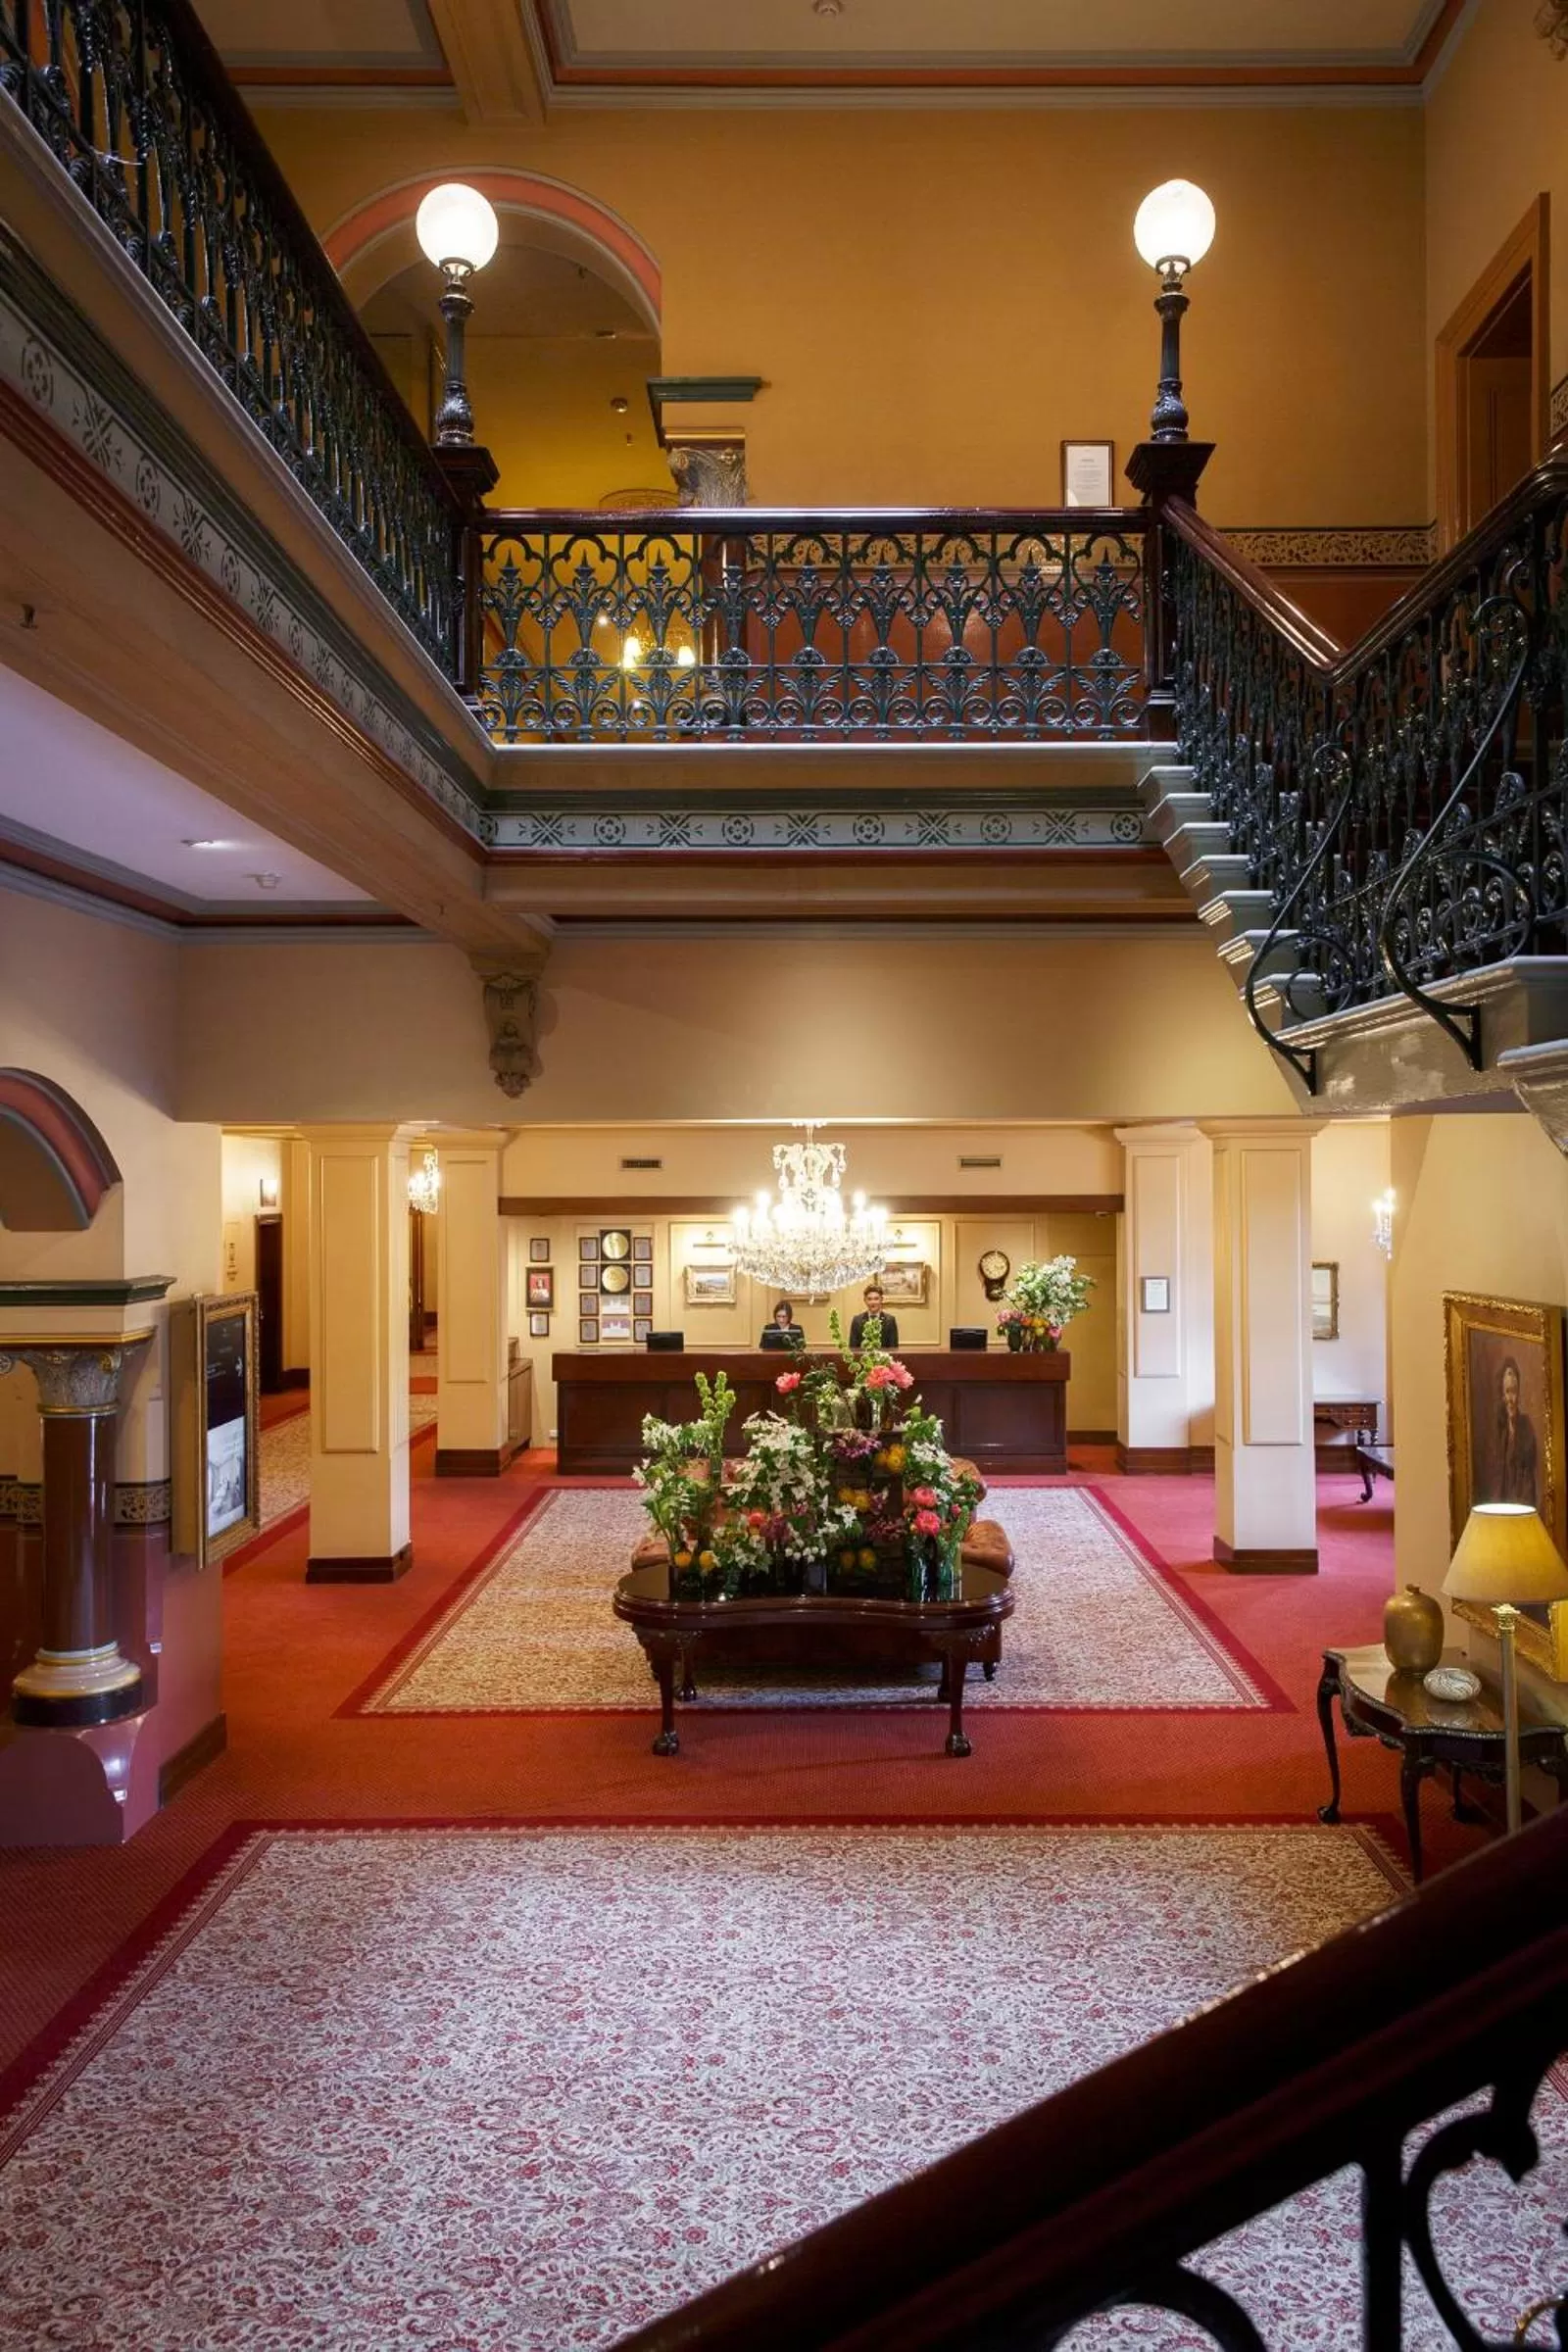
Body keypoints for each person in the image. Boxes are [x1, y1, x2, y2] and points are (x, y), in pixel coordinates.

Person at [1490, 1354, 1540, 1507]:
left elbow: (1529, 1478)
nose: (1511, 1398)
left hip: (1522, 1507)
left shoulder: (1526, 1426)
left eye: (1514, 1391)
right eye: (1507, 1392)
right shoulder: (1498, 1431)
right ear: (1502, 1395)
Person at [849, 1283, 900, 1351]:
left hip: (884, 1360)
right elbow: (853, 1348)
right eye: (869, 1299)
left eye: (876, 1299)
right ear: (865, 1300)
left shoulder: (890, 1320)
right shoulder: (857, 1320)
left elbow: (893, 1348)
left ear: (881, 1299)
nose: (873, 1302)